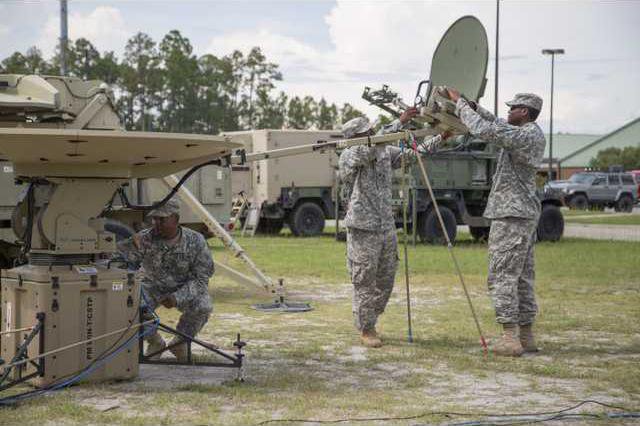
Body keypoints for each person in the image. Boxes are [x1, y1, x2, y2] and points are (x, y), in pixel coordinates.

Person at [441, 88, 546, 356]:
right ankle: (526, 336)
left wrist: (461, 106)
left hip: (511, 216)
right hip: (521, 215)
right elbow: (496, 123)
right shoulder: (528, 133)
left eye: (512, 108)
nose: (508, 111)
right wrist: (475, 106)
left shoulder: (524, 135)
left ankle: (510, 338)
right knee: (522, 277)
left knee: (502, 275)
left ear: (524, 112)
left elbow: (486, 131)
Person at [339, 107, 445, 348]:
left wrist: (440, 137)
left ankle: (370, 319)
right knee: (364, 279)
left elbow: (412, 155)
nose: (372, 132)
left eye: (371, 129)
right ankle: (367, 328)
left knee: (386, 280)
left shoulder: (384, 150)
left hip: (386, 225)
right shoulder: (350, 154)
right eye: (366, 131)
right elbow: (369, 148)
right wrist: (399, 121)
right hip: (363, 227)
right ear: (355, 137)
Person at [118, 198, 214, 361]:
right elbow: (117, 257)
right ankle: (155, 342)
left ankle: (179, 343)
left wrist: (177, 297)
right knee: (129, 302)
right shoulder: (145, 238)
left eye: (162, 219)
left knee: (203, 305)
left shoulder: (196, 241)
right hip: (151, 287)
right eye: (154, 219)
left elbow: (202, 278)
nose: (156, 224)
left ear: (176, 219)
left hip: (183, 288)